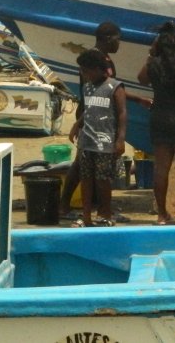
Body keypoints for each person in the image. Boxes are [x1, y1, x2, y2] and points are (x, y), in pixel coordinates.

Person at [137, 21, 175, 224]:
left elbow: (141, 79)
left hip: (160, 116)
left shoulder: (154, 63)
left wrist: (151, 54)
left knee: (161, 167)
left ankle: (162, 214)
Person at [59, 21, 121, 219]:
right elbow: (96, 90)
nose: (119, 44)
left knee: (86, 165)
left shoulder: (102, 58)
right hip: (90, 112)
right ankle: (68, 204)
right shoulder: (92, 59)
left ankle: (90, 206)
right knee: (83, 164)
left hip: (97, 113)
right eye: (118, 39)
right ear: (109, 38)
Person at [69, 48, 127, 227]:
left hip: (105, 142)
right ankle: (86, 215)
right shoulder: (87, 87)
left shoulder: (114, 87)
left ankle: (105, 213)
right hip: (87, 141)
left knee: (102, 180)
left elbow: (122, 113)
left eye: (86, 70)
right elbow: (88, 110)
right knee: (86, 178)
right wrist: (77, 124)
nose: (83, 74)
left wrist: (120, 139)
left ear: (97, 69)